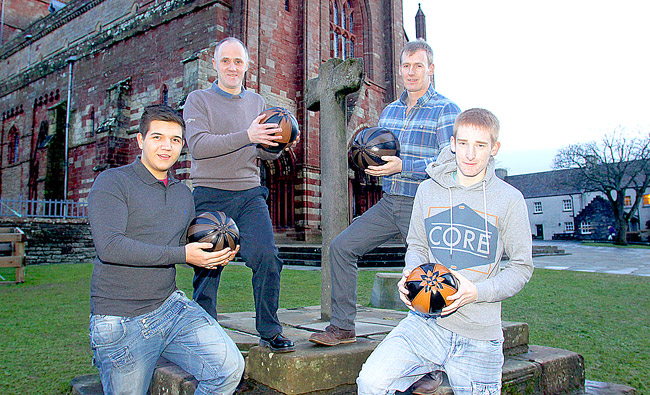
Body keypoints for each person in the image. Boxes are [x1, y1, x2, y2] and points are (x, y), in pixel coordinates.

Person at [356, 108, 534, 395]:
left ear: (494, 148)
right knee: (372, 382)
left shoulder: (509, 200)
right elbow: (417, 245)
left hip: (479, 334)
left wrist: (478, 292)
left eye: (480, 145)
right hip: (426, 325)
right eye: (463, 144)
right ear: (452, 143)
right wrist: (411, 274)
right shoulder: (428, 190)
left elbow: (522, 267)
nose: (470, 154)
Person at [309, 39, 460, 347]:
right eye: (406, 66)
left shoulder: (446, 110)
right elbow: (380, 153)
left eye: (419, 66)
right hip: (389, 202)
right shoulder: (389, 111)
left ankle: (436, 355)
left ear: (431, 69)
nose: (412, 73)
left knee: (429, 277)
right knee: (341, 247)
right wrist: (363, 160)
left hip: (424, 204)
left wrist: (404, 166)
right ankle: (342, 327)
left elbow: (451, 162)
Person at [87, 105, 244, 395]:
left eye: (175, 140)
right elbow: (110, 247)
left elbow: (183, 248)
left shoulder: (183, 194)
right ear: (140, 140)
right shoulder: (112, 182)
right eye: (157, 137)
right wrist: (184, 254)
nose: (166, 146)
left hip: (169, 308)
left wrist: (214, 255)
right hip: (121, 318)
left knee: (229, 368)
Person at [183, 37, 297, 353]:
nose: (232, 67)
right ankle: (205, 333)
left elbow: (262, 153)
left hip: (249, 193)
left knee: (266, 256)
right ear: (215, 64)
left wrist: (280, 144)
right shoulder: (198, 100)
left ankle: (270, 330)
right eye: (225, 61)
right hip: (210, 192)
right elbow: (199, 146)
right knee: (208, 266)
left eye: (238, 62)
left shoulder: (257, 103)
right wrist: (248, 135)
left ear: (246, 65)